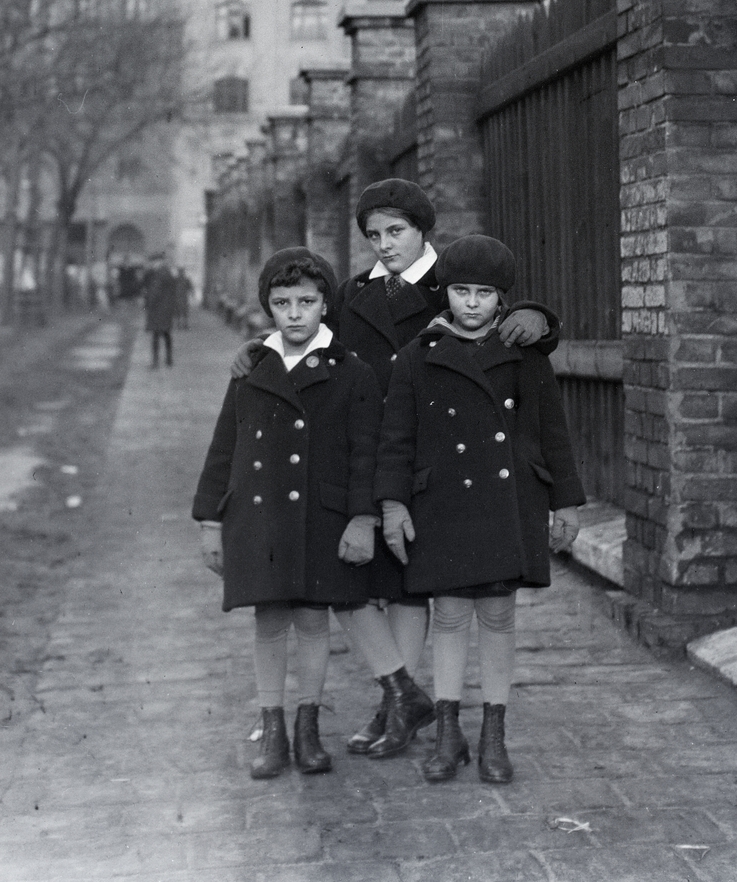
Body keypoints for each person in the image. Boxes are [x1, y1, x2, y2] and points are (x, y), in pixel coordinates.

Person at [229, 177, 561, 759]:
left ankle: (403, 708)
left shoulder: (450, 283)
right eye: (373, 235)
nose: (384, 245)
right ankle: (400, 697)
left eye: (396, 232)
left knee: (417, 587)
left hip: (435, 459)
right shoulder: (355, 292)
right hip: (367, 452)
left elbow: (502, 320)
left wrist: (539, 317)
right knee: (367, 580)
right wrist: (261, 348)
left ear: (423, 230)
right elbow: (311, 334)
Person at [193, 247, 434, 777]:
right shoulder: (252, 368)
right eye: (282, 304)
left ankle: (308, 729)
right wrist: (211, 521)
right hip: (260, 519)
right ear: (268, 308)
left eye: (306, 301)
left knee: (311, 621)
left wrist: (362, 518)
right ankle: (273, 731)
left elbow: (365, 454)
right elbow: (224, 446)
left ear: (326, 304)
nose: (295, 314)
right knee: (269, 619)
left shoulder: (352, 371)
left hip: (320, 517)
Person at [375, 234, 585, 785]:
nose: (472, 303)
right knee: (448, 615)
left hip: (507, 502)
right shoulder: (418, 355)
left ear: (501, 298)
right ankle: (448, 732)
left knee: (497, 615)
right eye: (461, 291)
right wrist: (393, 504)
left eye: (485, 293)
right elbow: (396, 439)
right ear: (445, 293)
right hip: (441, 502)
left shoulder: (525, 355)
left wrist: (566, 502)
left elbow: (553, 433)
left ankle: (494, 734)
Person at [144, 253, 178, 368]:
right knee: (166, 334)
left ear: (158, 262)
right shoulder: (168, 272)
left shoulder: (159, 274)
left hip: (158, 309)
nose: (151, 265)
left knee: (156, 335)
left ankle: (155, 362)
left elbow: (155, 292)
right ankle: (169, 359)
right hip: (166, 309)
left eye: (153, 263)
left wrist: (148, 303)